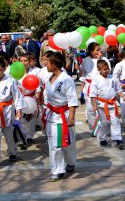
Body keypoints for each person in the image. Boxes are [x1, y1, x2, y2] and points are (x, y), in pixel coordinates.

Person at [44, 52, 77, 182]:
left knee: (67, 143)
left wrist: (71, 118)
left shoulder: (66, 79)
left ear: (53, 65)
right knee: (54, 144)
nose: (45, 64)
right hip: (52, 114)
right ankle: (58, 170)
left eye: (46, 62)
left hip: (64, 114)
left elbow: (72, 100)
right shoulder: (49, 78)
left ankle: (70, 162)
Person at [90, 60, 125, 149]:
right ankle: (102, 138)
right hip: (101, 104)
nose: (107, 70)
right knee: (103, 123)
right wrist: (94, 105)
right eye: (104, 69)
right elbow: (93, 94)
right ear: (99, 70)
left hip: (113, 103)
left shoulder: (113, 78)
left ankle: (118, 139)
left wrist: (124, 97)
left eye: (108, 69)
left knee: (115, 121)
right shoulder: (96, 80)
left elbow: (118, 89)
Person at [79, 42, 111, 136]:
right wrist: (82, 85)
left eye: (99, 49)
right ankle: (94, 128)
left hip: (101, 86)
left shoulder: (104, 59)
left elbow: (106, 71)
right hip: (89, 86)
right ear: (91, 51)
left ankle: (105, 128)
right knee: (90, 109)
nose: (99, 51)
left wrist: (99, 60)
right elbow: (84, 74)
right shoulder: (86, 60)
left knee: (102, 108)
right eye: (97, 50)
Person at [17, 53, 42, 147]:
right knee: (21, 119)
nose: (23, 63)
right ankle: (22, 137)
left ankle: (29, 136)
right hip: (21, 97)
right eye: (21, 61)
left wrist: (38, 97)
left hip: (32, 97)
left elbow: (38, 87)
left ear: (30, 61)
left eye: (25, 61)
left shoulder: (35, 72)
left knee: (31, 119)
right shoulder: (17, 72)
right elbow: (14, 86)